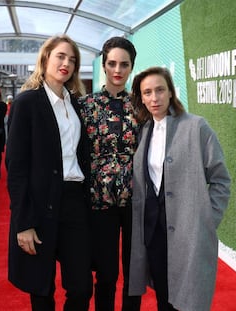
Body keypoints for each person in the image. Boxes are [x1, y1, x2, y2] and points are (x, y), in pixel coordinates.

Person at [128, 67, 231, 311]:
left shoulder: (196, 127)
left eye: (160, 90)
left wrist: (206, 219)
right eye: (148, 92)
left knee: (188, 299)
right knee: (164, 297)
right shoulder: (144, 131)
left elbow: (221, 180)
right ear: (141, 97)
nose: (155, 98)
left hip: (188, 232)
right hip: (154, 233)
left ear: (171, 92)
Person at [6, 34, 93, 311]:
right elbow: (15, 167)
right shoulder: (27, 103)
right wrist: (23, 222)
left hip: (74, 202)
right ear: (45, 58)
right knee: (42, 289)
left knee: (81, 287)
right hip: (40, 203)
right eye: (60, 56)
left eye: (72, 59)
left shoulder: (76, 104)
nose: (66, 63)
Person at [79, 37, 141, 311]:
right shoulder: (85, 106)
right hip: (98, 202)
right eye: (112, 63)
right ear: (103, 65)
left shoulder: (141, 107)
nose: (118, 69)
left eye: (124, 64)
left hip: (136, 201)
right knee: (105, 274)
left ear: (131, 68)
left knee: (134, 272)